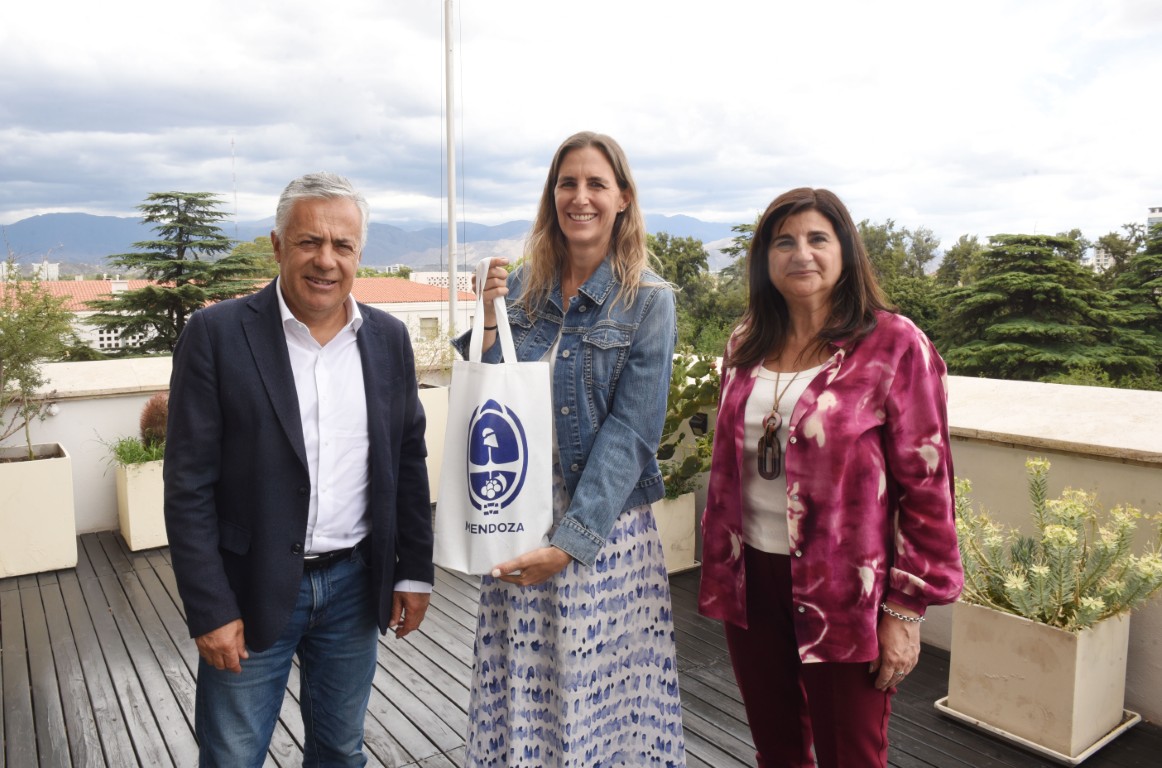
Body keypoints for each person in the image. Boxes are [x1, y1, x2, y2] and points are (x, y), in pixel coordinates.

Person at [164, 172, 434, 767]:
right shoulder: (216, 335)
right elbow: (187, 486)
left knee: (340, 751)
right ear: (278, 245)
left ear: (359, 253)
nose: (326, 260)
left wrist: (413, 571)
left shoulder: (387, 339)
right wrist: (210, 607)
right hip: (247, 587)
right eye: (310, 241)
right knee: (233, 755)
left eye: (343, 246)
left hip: (353, 589)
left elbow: (407, 461)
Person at [698, 188, 963, 768]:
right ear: (765, 258)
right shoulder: (745, 343)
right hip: (752, 580)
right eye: (784, 240)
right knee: (777, 749)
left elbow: (928, 487)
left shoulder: (894, 346)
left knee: (852, 754)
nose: (802, 253)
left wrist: (905, 611)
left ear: (845, 251)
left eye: (818, 238)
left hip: (847, 591)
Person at [455, 131, 686, 767]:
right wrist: (488, 316)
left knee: (600, 703)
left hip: (600, 528)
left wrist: (570, 542)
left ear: (622, 198)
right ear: (551, 194)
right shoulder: (526, 286)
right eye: (567, 183)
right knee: (524, 691)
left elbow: (634, 431)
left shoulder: (648, 299)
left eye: (594, 184)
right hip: (519, 512)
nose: (578, 197)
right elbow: (489, 389)